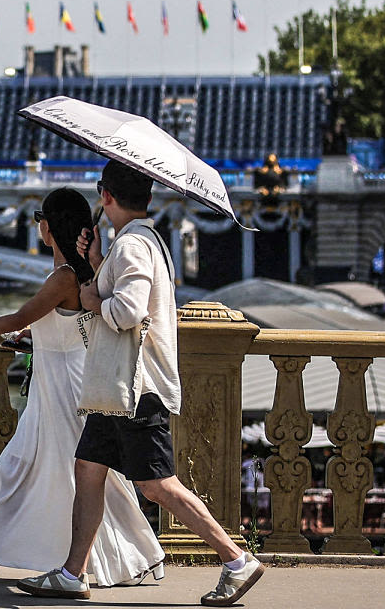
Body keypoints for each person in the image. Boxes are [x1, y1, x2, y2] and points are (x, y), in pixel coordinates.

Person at [16, 161, 264, 606]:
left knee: (157, 485)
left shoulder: (132, 246)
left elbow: (127, 312)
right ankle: (74, 572)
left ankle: (236, 559)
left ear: (106, 195)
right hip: (116, 388)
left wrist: (91, 297)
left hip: (134, 388)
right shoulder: (138, 242)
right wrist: (96, 263)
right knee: (87, 469)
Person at [0, 186, 165, 587]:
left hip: (63, 390)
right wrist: (30, 338)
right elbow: (58, 326)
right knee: (31, 469)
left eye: (41, 221)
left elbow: (19, 316)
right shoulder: (82, 273)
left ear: (48, 228)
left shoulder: (63, 277)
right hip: (62, 380)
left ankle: (132, 555)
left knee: (54, 473)